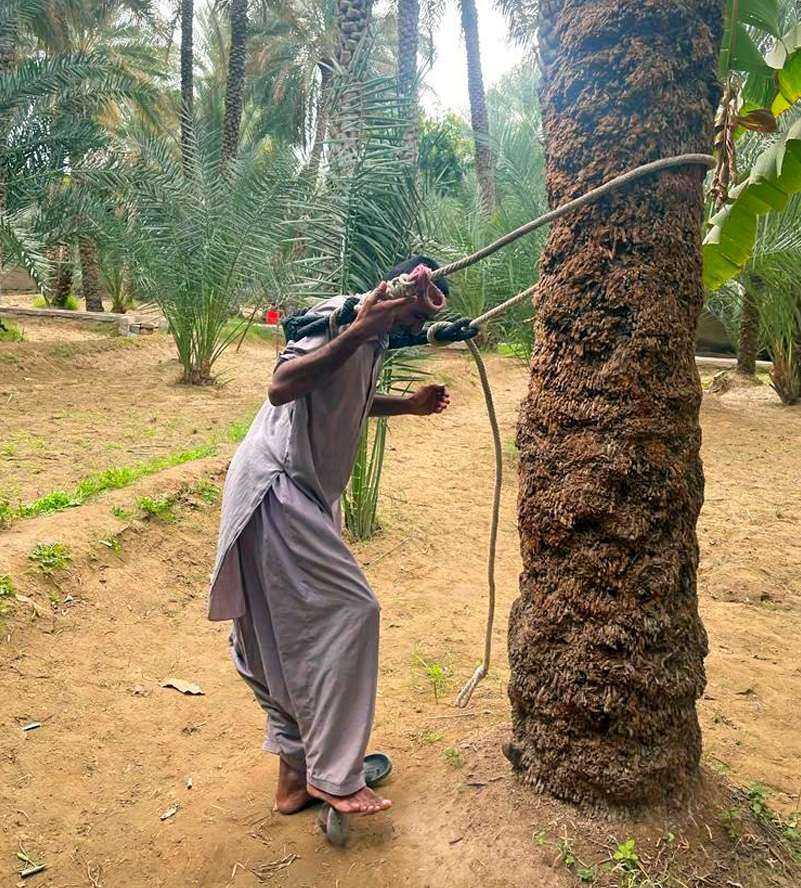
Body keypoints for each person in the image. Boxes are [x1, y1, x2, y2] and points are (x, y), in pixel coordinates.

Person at [207, 256, 452, 816]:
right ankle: (335, 777)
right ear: (395, 290)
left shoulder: (375, 336)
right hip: (276, 488)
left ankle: (296, 779)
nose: (415, 322)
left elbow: (343, 396)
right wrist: (361, 329)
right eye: (415, 305)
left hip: (306, 494)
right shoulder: (340, 317)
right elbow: (282, 385)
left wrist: (407, 406)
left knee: (279, 637)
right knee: (352, 610)